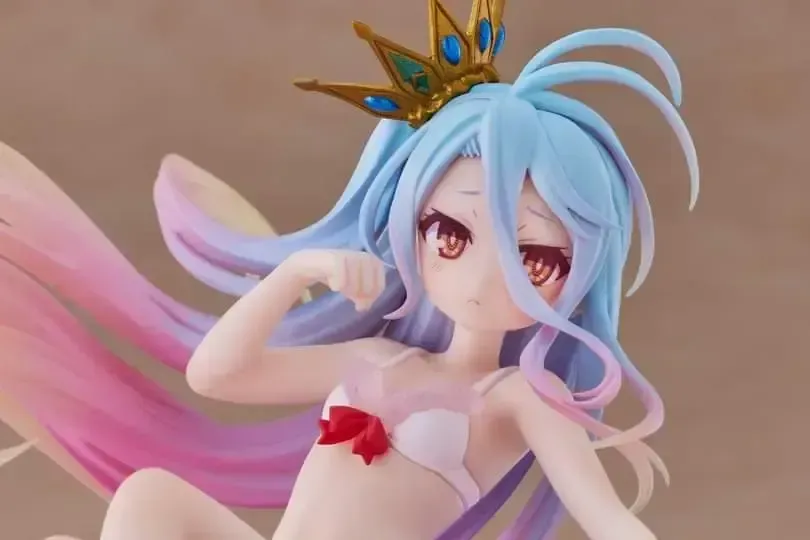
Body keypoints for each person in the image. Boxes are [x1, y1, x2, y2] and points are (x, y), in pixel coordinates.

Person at [0, 0, 699, 538]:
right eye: (450, 233)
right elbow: (215, 375)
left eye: (536, 257)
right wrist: (293, 273)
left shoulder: (517, 398)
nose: (487, 277)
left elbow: (606, 518)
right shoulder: (376, 357)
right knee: (148, 495)